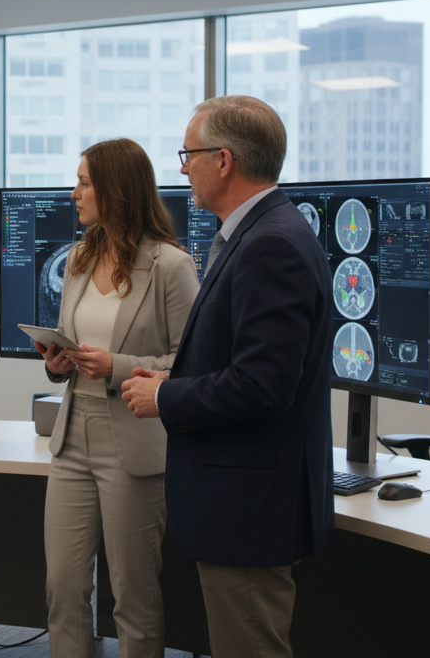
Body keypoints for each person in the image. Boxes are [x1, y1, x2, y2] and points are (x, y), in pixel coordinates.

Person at [121, 96, 334, 658]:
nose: (182, 169)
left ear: (223, 160)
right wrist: (173, 374)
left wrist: (166, 396)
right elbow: (243, 358)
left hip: (249, 507)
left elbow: (263, 384)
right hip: (245, 499)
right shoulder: (260, 233)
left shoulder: (270, 244)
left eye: (187, 155)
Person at [34, 138, 200, 658]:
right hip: (72, 437)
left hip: (133, 438)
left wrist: (117, 367)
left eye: (84, 183)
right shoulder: (79, 259)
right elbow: (72, 341)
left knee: (132, 596)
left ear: (116, 190)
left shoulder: (171, 266)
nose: (74, 193)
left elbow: (191, 364)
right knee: (62, 588)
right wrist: (57, 363)